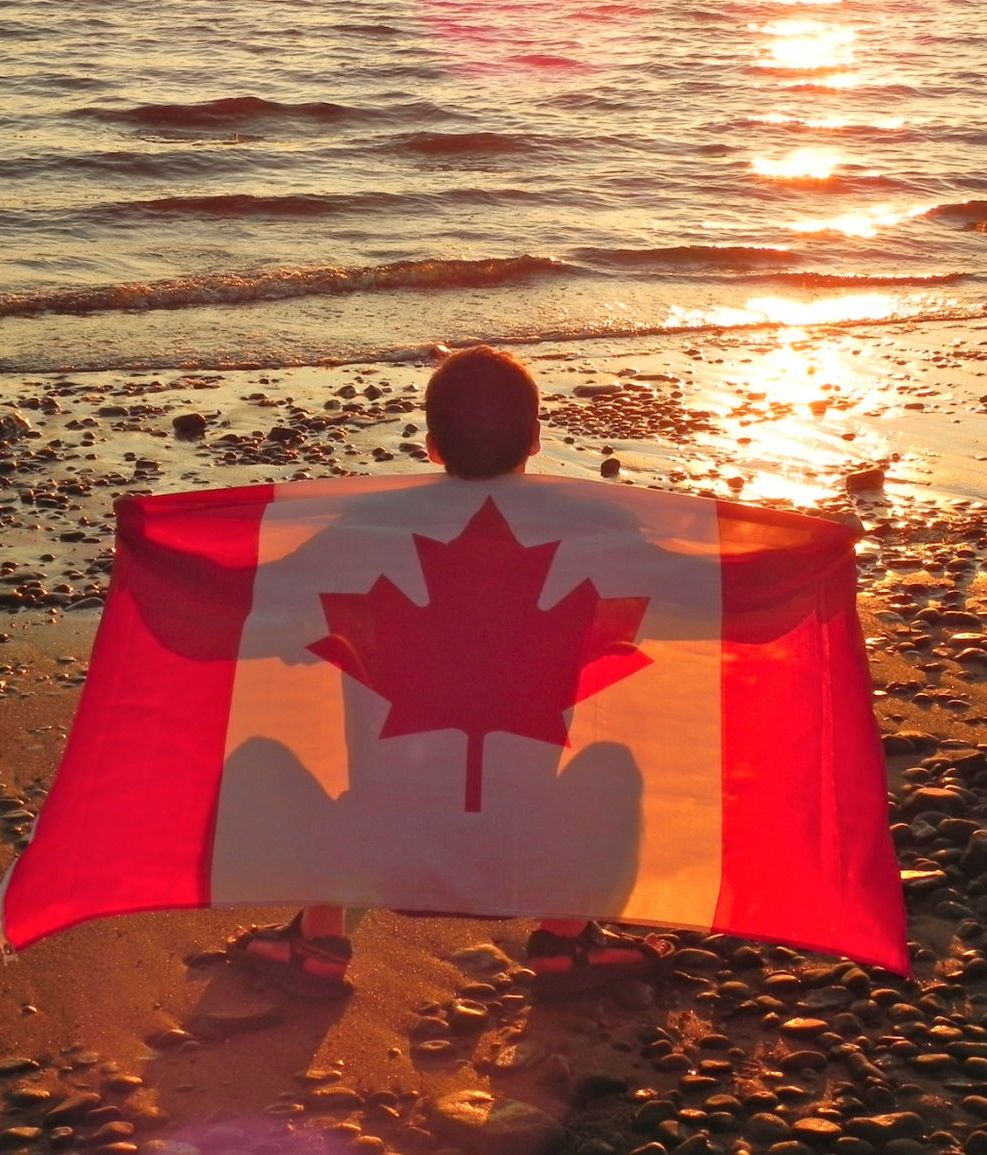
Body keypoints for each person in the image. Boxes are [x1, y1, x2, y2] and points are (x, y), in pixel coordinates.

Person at [227, 345, 674, 998]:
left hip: (379, 855)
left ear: (433, 446)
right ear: (537, 439)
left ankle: (319, 935)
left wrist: (160, 562)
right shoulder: (597, 529)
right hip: (525, 859)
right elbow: (718, 602)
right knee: (614, 766)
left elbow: (251, 610)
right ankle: (565, 938)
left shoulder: (366, 526)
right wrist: (809, 562)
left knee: (263, 753)